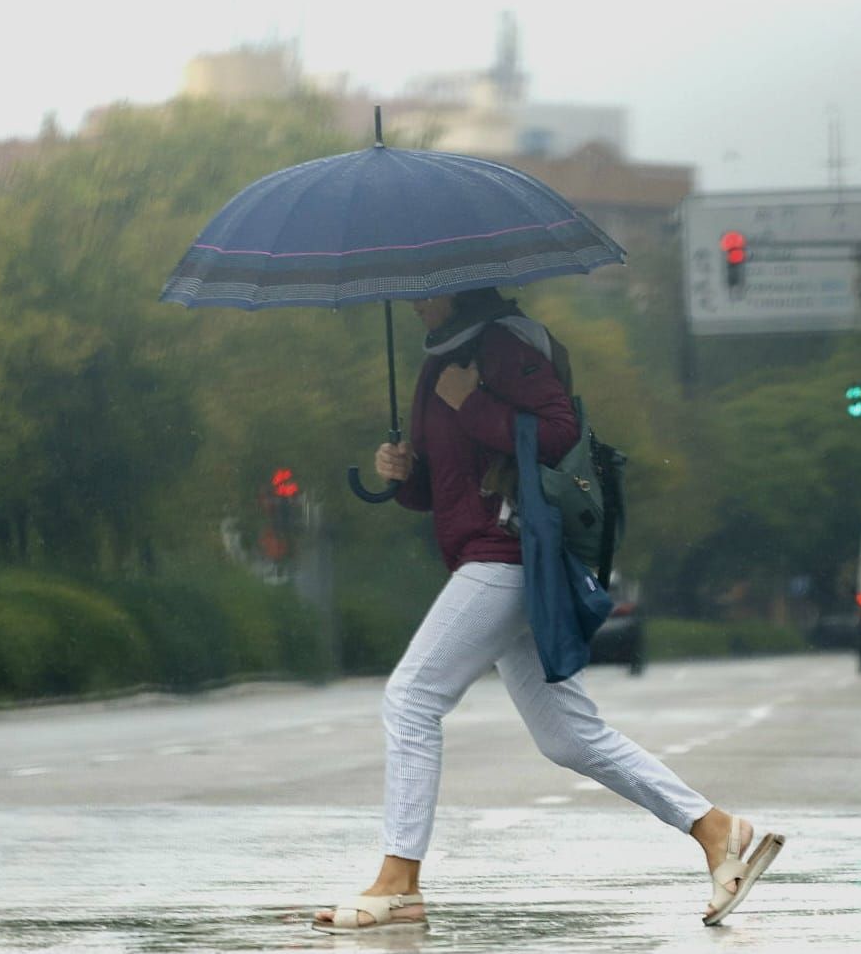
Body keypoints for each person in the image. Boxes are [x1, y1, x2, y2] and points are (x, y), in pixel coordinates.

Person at [313, 289, 783, 934]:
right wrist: (401, 473)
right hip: (485, 553)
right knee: (569, 738)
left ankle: (399, 880)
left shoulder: (505, 345)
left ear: (456, 285)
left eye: (424, 288)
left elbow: (559, 432)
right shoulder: (436, 363)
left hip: (507, 552)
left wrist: (471, 402)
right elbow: (444, 485)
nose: (414, 299)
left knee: (412, 699)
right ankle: (717, 830)